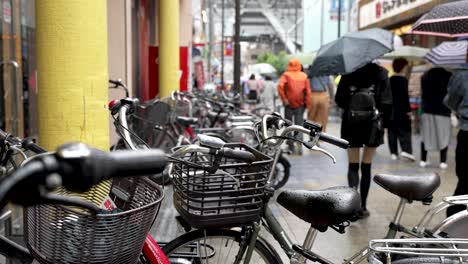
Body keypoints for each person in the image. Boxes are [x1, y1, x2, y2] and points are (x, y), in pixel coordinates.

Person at [335, 63, 392, 219]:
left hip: (351, 124)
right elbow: (387, 102)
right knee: (366, 166)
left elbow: (339, 100)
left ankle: (352, 207)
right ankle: (363, 206)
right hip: (372, 125)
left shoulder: (348, 72)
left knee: (353, 166)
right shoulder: (381, 73)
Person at [444, 68, 468, 217]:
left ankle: (455, 219)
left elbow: (450, 101)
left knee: (465, 180)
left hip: (467, 132)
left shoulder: (462, 74)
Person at [420, 67, 452, 169]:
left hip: (427, 109)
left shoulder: (425, 75)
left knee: (426, 136)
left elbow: (423, 92)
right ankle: (442, 161)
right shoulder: (449, 76)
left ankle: (423, 160)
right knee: (444, 136)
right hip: (444, 110)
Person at [278, 59, 312, 155]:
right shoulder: (304, 76)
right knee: (299, 125)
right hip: (300, 104)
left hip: (288, 103)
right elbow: (308, 91)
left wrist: (284, 99)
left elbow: (280, 86)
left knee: (288, 124)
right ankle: (299, 143)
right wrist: (307, 103)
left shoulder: (286, 75)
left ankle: (290, 143)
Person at [388, 58, 415, 161]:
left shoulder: (389, 79)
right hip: (402, 111)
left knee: (392, 132)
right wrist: (408, 110)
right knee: (404, 131)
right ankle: (406, 150)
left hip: (391, 111)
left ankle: (393, 153)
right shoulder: (403, 80)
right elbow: (405, 97)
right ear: (402, 67)